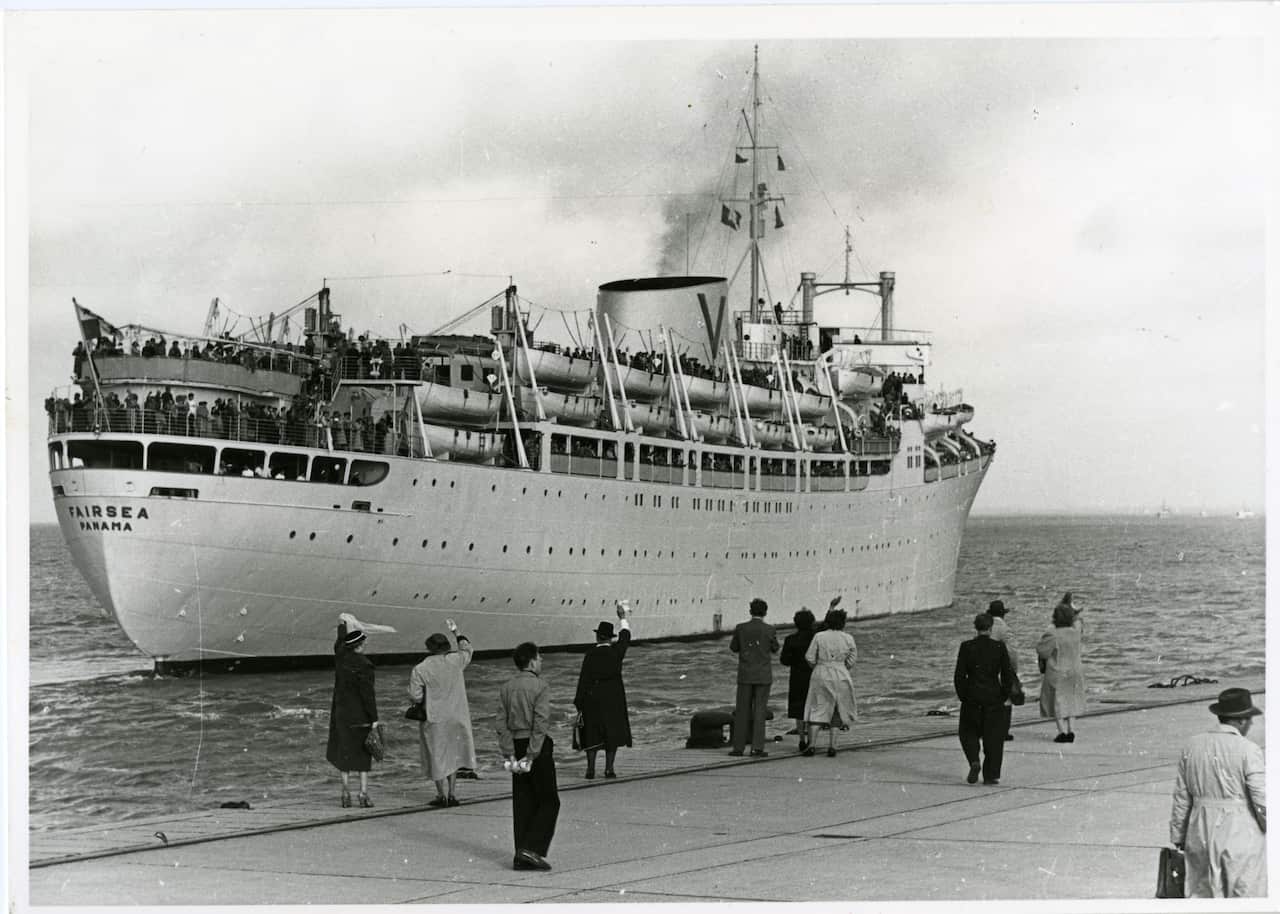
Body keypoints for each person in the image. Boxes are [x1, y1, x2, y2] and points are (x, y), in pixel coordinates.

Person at [1169, 687, 1266, 897]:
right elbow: (1261, 799)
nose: (1250, 724)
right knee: (1244, 895)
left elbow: (1182, 797)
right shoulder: (1249, 749)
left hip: (1199, 831)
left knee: (1202, 895)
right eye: (1249, 720)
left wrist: (1178, 835)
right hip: (1240, 831)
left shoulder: (1192, 746)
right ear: (1242, 720)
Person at [496, 642, 560, 871]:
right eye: (539, 658)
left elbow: (501, 724)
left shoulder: (506, 687)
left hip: (515, 743)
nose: (541, 662)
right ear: (532, 661)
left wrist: (510, 754)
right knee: (549, 800)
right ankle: (532, 849)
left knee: (523, 801)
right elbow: (540, 722)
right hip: (536, 745)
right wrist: (532, 754)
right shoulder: (540, 686)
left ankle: (520, 853)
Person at [408, 618, 477, 808]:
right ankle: (453, 794)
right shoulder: (456, 661)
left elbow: (415, 696)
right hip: (457, 716)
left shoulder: (421, 668)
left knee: (436, 755)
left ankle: (440, 795)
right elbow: (468, 649)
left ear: (429, 648)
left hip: (434, 717)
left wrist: (421, 700)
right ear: (446, 647)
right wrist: (456, 632)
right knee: (453, 756)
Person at [325, 613, 380, 808]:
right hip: (360, 716)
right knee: (363, 754)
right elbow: (368, 695)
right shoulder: (365, 665)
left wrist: (342, 625)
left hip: (341, 714)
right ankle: (363, 794)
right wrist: (374, 718)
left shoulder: (341, 658)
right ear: (361, 645)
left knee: (345, 752)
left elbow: (339, 643)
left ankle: (345, 793)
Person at [573, 601, 633, 779]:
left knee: (591, 733)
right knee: (611, 733)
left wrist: (579, 702)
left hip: (592, 697)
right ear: (610, 638)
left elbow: (583, 679)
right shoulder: (616, 652)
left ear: (597, 637)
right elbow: (625, 637)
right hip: (613, 697)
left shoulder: (589, 654)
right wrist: (622, 618)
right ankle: (609, 769)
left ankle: (590, 769)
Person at [954, 612, 1014, 785]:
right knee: (994, 737)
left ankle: (974, 759)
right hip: (993, 695)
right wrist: (1004, 694)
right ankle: (991, 774)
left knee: (968, 732)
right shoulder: (999, 647)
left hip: (972, 696)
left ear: (976, 627)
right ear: (991, 628)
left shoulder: (966, 646)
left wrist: (963, 695)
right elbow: (1007, 674)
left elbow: (959, 676)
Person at [802, 602, 858, 757]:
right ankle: (832, 746)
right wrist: (842, 666)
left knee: (817, 708)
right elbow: (852, 659)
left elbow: (809, 657)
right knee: (837, 709)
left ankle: (812, 745)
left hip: (821, 672)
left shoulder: (819, 636)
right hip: (841, 673)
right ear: (843, 623)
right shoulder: (848, 638)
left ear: (827, 622)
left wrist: (818, 667)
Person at [728, 598, 779, 757]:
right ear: (765, 612)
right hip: (763, 675)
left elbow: (734, 647)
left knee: (742, 711)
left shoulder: (740, 628)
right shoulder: (770, 629)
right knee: (760, 711)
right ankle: (757, 747)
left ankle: (738, 747)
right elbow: (775, 648)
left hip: (745, 674)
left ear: (750, 611)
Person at [1036, 594, 1085, 742]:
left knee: (1057, 701)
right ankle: (1071, 730)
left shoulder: (1053, 633)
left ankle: (1062, 732)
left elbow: (1042, 651)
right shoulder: (1076, 632)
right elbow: (1078, 620)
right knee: (1072, 700)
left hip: (1057, 671)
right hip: (1074, 670)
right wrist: (1073, 610)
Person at [779, 607, 818, 752]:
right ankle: (811, 740)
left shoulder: (790, 639)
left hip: (796, 677)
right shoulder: (816, 638)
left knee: (799, 709)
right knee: (813, 709)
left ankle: (801, 739)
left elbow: (784, 660)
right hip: (814, 676)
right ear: (811, 622)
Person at [987, 599, 1018, 741]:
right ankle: (1004, 731)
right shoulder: (1005, 629)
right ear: (1003, 614)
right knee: (1006, 700)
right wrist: (1014, 670)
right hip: (1002, 668)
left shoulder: (986, 627)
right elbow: (1012, 653)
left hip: (986, 668)